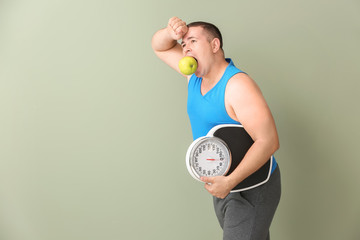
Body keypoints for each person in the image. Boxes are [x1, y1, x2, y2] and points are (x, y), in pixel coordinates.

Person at [151, 17, 281, 240]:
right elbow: (159, 46)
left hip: (251, 186)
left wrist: (230, 182)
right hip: (222, 183)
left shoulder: (237, 86)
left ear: (214, 45)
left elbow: (269, 141)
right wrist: (170, 33)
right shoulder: (194, 78)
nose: (186, 47)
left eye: (193, 40)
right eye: (183, 44)